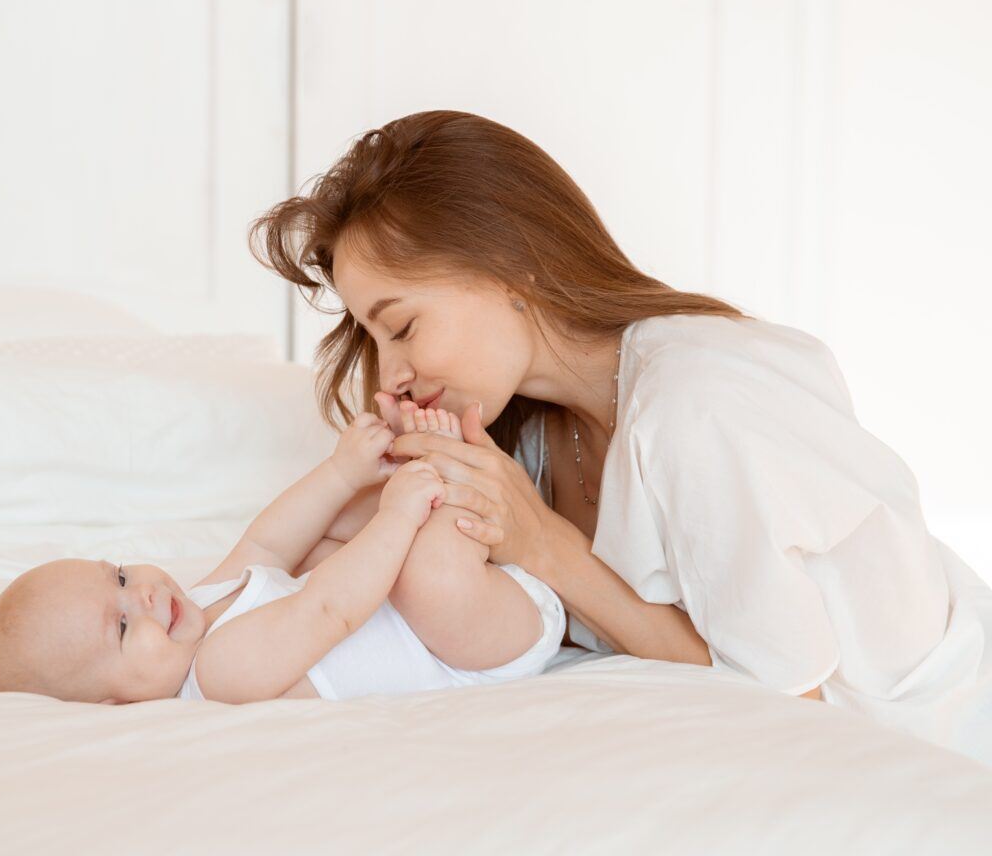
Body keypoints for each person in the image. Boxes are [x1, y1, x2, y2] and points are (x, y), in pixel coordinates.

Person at [247, 109, 992, 765]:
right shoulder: (533, 437)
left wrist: (547, 550)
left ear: (513, 267)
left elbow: (793, 706)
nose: (390, 375)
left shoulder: (697, 407)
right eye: (374, 339)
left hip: (939, 733)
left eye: (402, 326)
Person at [0, 405, 565, 704]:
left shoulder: (198, 608)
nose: (144, 595)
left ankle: (441, 470)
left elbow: (269, 543)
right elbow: (327, 610)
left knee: (334, 529)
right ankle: (450, 476)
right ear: (114, 703)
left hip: (454, 615)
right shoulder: (218, 670)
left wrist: (340, 473)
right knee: (419, 571)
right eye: (123, 625)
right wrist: (397, 515)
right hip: (475, 651)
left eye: (121, 576)